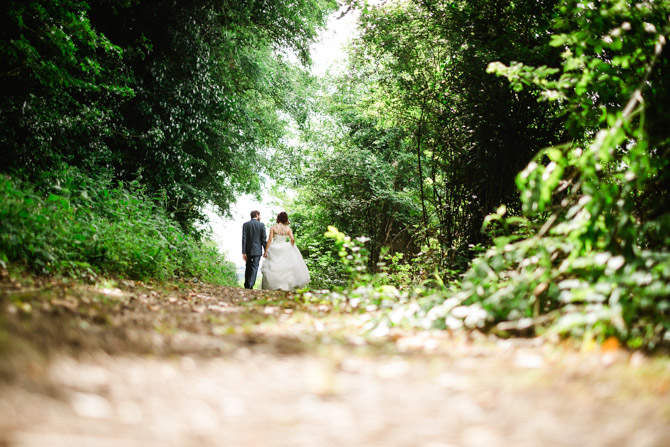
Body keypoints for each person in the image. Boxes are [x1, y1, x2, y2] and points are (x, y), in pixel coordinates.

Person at [261, 211, 310, 291]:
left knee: (274, 267)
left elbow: (269, 240)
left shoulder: (273, 227)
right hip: (284, 247)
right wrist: (291, 246)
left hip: (275, 247)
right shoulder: (288, 229)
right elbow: (292, 239)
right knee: (286, 268)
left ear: (278, 218)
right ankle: (285, 287)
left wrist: (266, 251)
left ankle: (275, 286)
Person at [242, 210, 267, 289]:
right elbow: (263, 239)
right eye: (259, 215)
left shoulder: (245, 225)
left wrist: (244, 252)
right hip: (257, 250)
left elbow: (244, 239)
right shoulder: (261, 225)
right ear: (256, 215)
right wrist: (266, 250)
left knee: (248, 266)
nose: (260, 217)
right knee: (254, 267)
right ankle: (251, 284)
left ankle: (246, 284)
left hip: (248, 250)